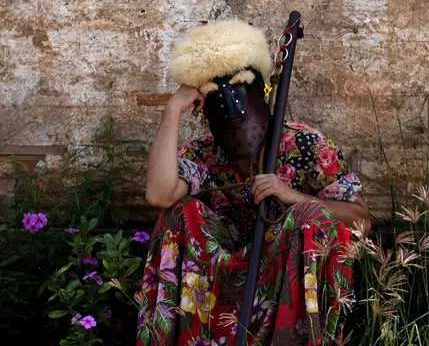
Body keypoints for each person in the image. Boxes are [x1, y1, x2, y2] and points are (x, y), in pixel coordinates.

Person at [137, 19, 371, 346]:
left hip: (286, 277)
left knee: (310, 219)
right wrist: (173, 109)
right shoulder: (204, 155)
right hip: (219, 285)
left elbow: (360, 222)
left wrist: (293, 196)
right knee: (179, 213)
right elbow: (159, 194)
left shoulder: (307, 147)